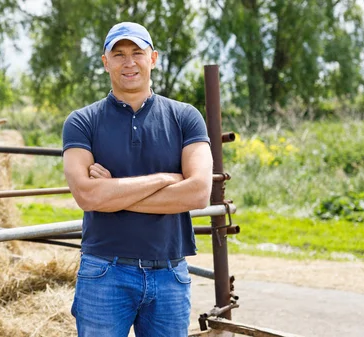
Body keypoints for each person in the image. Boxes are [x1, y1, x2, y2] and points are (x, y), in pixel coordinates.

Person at [62, 22, 213, 337]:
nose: (128, 62)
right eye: (118, 54)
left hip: (170, 273)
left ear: (153, 58)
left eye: (137, 52)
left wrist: (113, 193)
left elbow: (199, 192)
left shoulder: (185, 117)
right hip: (105, 272)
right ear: (105, 62)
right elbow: (88, 197)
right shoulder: (81, 122)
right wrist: (165, 179)